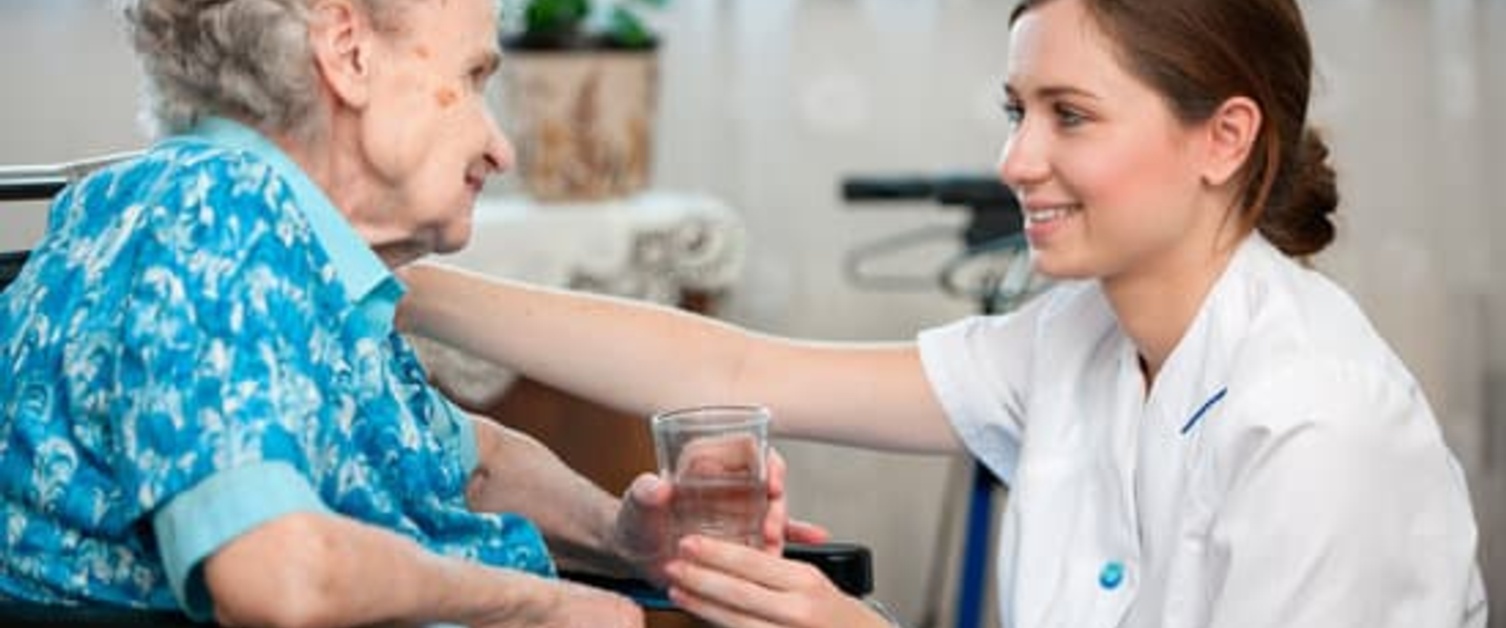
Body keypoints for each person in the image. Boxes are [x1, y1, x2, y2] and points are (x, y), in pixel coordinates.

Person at [395, 0, 1490, 626]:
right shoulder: (1083, 341)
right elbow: (728, 361)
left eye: (1071, 116)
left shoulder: (1317, 431)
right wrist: (398, 284)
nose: (1017, 160)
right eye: (1019, 111)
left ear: (1226, 137)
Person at [0, 0, 809, 626]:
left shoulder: (260, 238)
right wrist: (538, 604)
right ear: (349, 54)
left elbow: (474, 464)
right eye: (474, 76)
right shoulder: (218, 213)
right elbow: (277, 575)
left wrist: (625, 537)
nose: (502, 149)